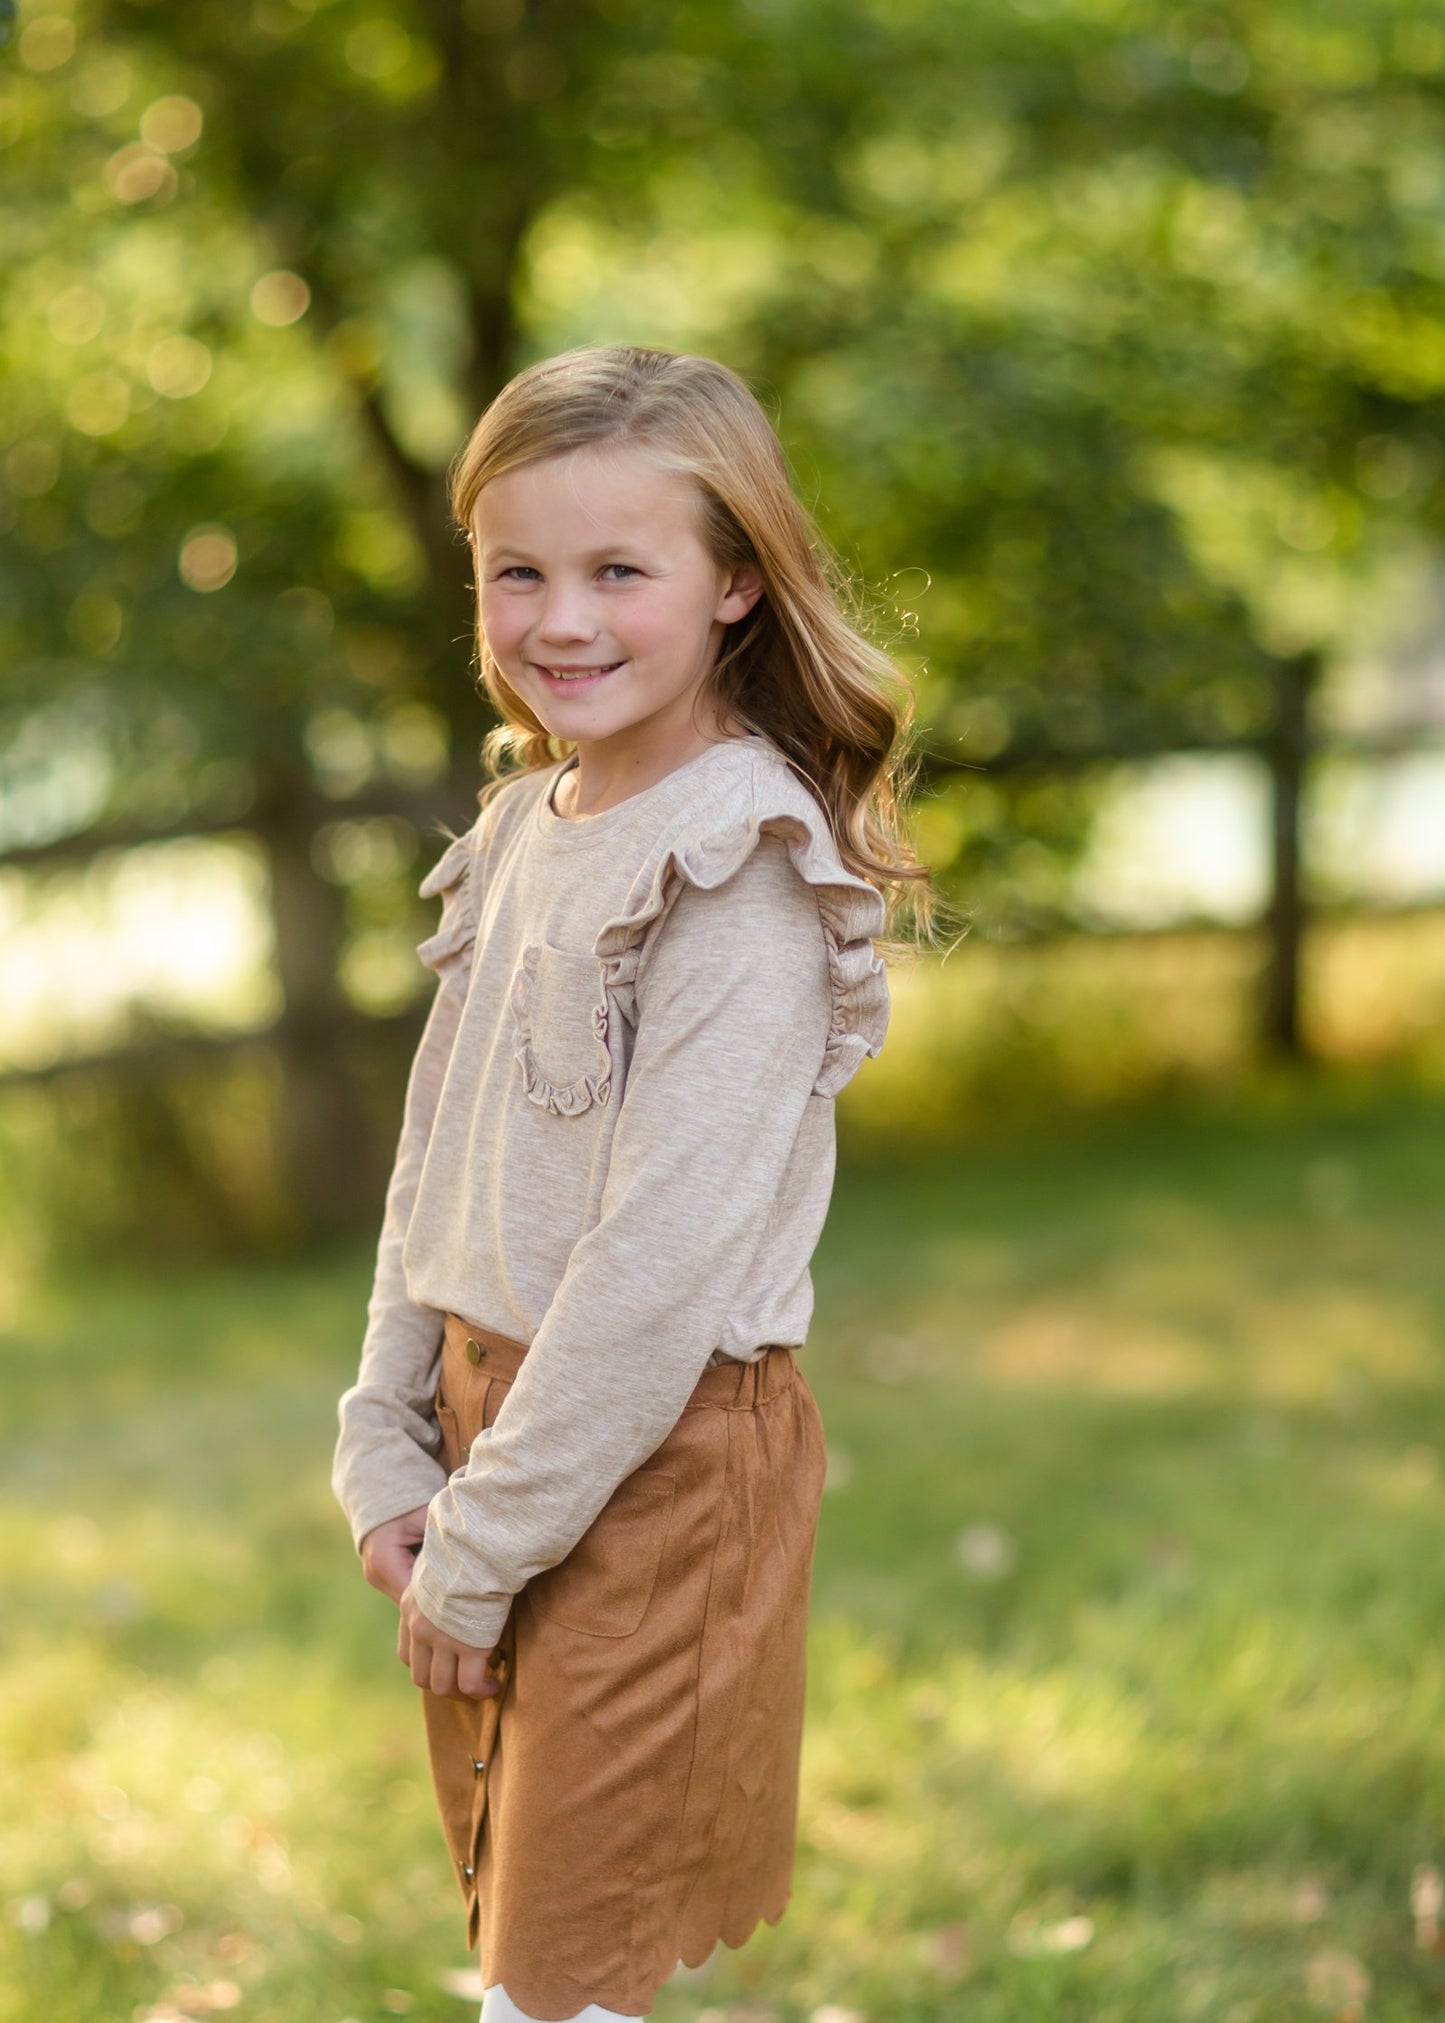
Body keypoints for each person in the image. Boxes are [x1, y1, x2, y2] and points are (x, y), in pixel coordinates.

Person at [331, 344, 939, 2023]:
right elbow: (435, 1150)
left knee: (560, 1984)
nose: (559, 620)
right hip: (499, 1442)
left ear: (735, 580)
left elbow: (655, 1276)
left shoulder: (733, 860)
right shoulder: (534, 819)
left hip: (648, 1459)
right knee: (523, 1941)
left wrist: (483, 1549)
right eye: (515, 571)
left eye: (619, 570)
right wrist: (385, 1423)